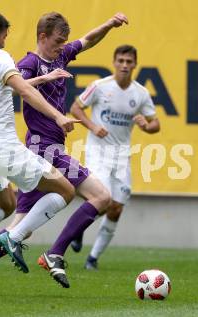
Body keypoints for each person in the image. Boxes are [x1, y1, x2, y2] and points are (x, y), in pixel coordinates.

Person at [0, 12, 128, 294]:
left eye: (64, 41)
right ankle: (54, 253)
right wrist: (48, 89)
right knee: (100, 196)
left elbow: (88, 40)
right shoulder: (27, 64)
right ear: (42, 37)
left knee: (19, 223)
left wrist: (108, 25)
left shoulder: (60, 56)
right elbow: (18, 90)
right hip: (43, 147)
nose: (61, 45)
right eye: (57, 40)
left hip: (45, 146)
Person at [69, 45, 160, 270]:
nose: (125, 65)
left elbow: (156, 124)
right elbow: (75, 107)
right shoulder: (99, 87)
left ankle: (92, 258)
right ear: (114, 62)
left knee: (116, 208)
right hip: (98, 152)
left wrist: (146, 126)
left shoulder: (141, 93)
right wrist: (92, 126)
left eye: (129, 62)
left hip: (121, 156)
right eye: (121, 61)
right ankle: (78, 229)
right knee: (103, 197)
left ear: (135, 65)